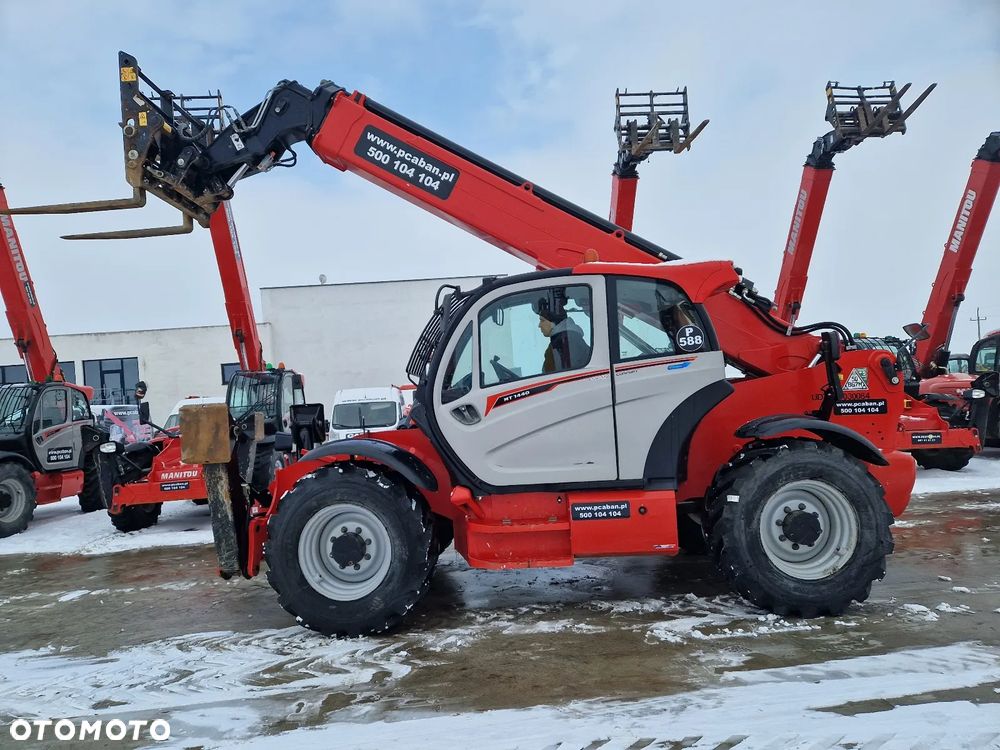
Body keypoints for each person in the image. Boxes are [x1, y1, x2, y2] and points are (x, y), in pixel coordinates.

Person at [535, 296, 590, 373]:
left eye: (542, 320)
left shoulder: (565, 343)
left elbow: (566, 375)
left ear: (553, 322)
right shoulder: (562, 340)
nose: (539, 325)